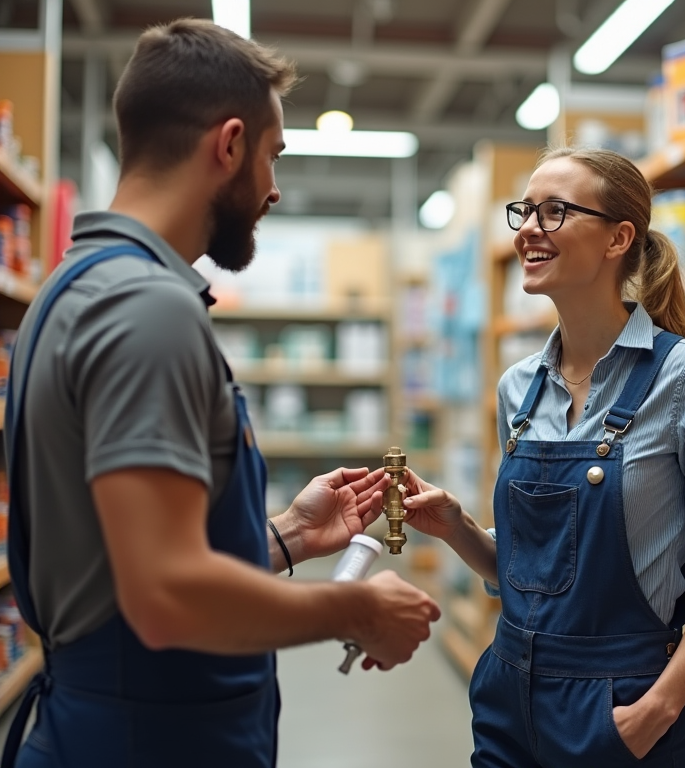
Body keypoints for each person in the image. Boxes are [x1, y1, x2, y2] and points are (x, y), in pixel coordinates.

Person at [1, 19, 440, 768]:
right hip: (147, 743)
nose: (273, 188)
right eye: (272, 156)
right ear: (229, 144)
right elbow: (165, 596)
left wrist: (287, 539)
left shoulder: (73, 288)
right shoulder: (146, 307)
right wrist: (359, 607)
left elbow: (120, 565)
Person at [400, 146, 685, 766]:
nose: (529, 231)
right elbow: (530, 574)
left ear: (618, 237)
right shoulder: (518, 386)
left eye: (555, 211)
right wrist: (455, 528)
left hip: (623, 705)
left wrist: (660, 709)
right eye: (525, 212)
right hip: (507, 697)